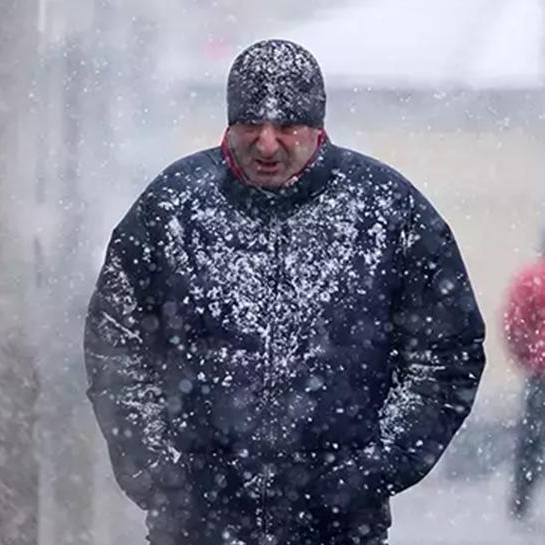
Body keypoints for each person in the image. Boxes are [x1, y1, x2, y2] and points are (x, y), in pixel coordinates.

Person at [84, 39, 486, 545]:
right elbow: (116, 347)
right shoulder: (172, 210)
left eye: (287, 126)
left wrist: (372, 469)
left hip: (338, 530)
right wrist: (161, 472)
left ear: (318, 128)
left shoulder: (387, 212)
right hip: (193, 527)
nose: (266, 144)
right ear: (230, 124)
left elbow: (446, 356)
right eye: (250, 124)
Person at [504, 255, 545, 521]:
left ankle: (521, 500)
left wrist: (527, 358)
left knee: (532, 440)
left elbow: (514, 324)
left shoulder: (531, 278)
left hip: (541, 374)